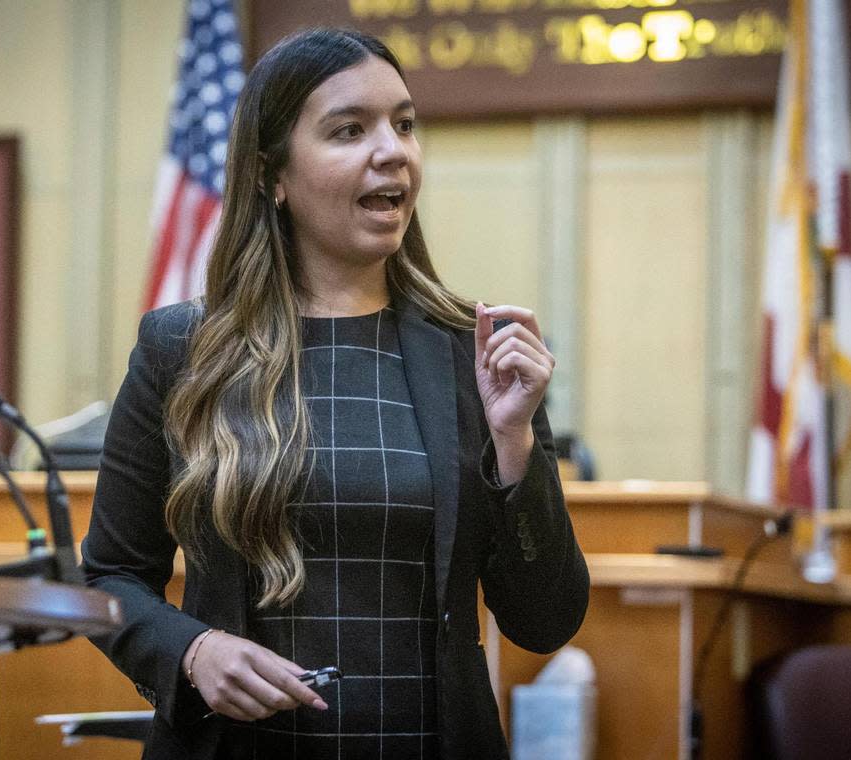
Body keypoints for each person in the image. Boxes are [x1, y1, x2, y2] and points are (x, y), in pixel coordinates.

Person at [82, 27, 589, 760]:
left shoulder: (472, 354)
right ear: (272, 175)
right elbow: (109, 579)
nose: (393, 150)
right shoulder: (181, 350)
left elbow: (544, 621)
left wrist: (515, 445)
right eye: (350, 130)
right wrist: (193, 653)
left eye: (405, 124)